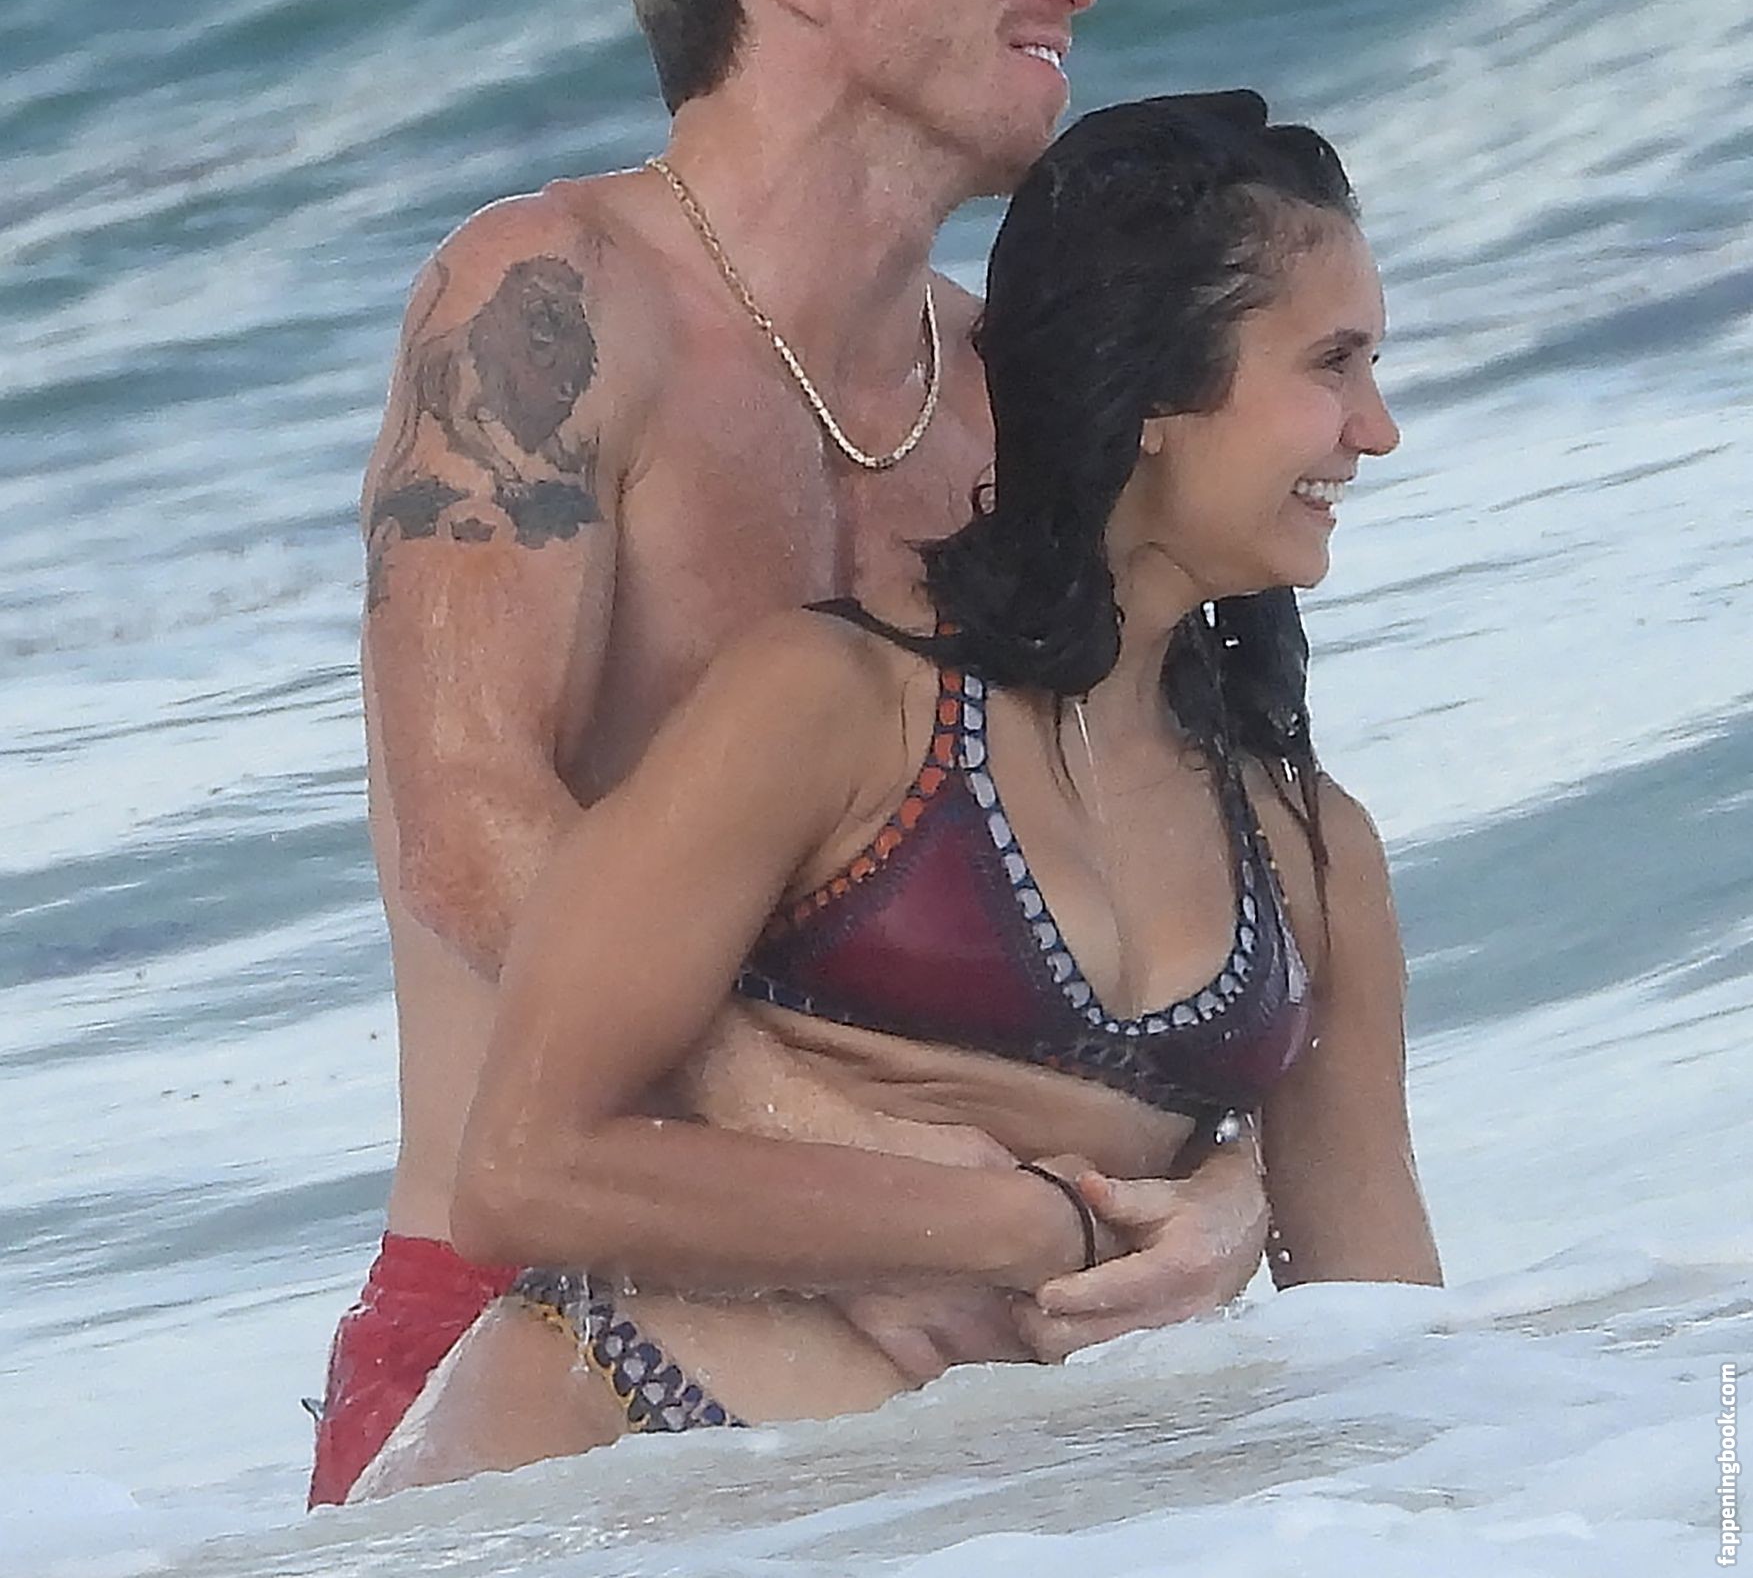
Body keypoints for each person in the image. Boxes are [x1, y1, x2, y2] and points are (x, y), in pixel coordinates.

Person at [310, 0, 1266, 1508]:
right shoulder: (548, 303)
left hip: (954, 1372)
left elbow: (1171, 901)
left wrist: (1227, 1191)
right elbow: (466, 818)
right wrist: (844, 1174)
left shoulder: (1005, 411)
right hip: (540, 1356)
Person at [352, 92, 1442, 1497]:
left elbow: (1390, 1355)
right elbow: (524, 1170)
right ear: (1154, 395)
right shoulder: (831, 705)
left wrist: (1235, 1199)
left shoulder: (1308, 847)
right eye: (1332, 364)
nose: (1375, 430)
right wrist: (1018, 1231)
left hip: (963, 1521)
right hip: (593, 1492)